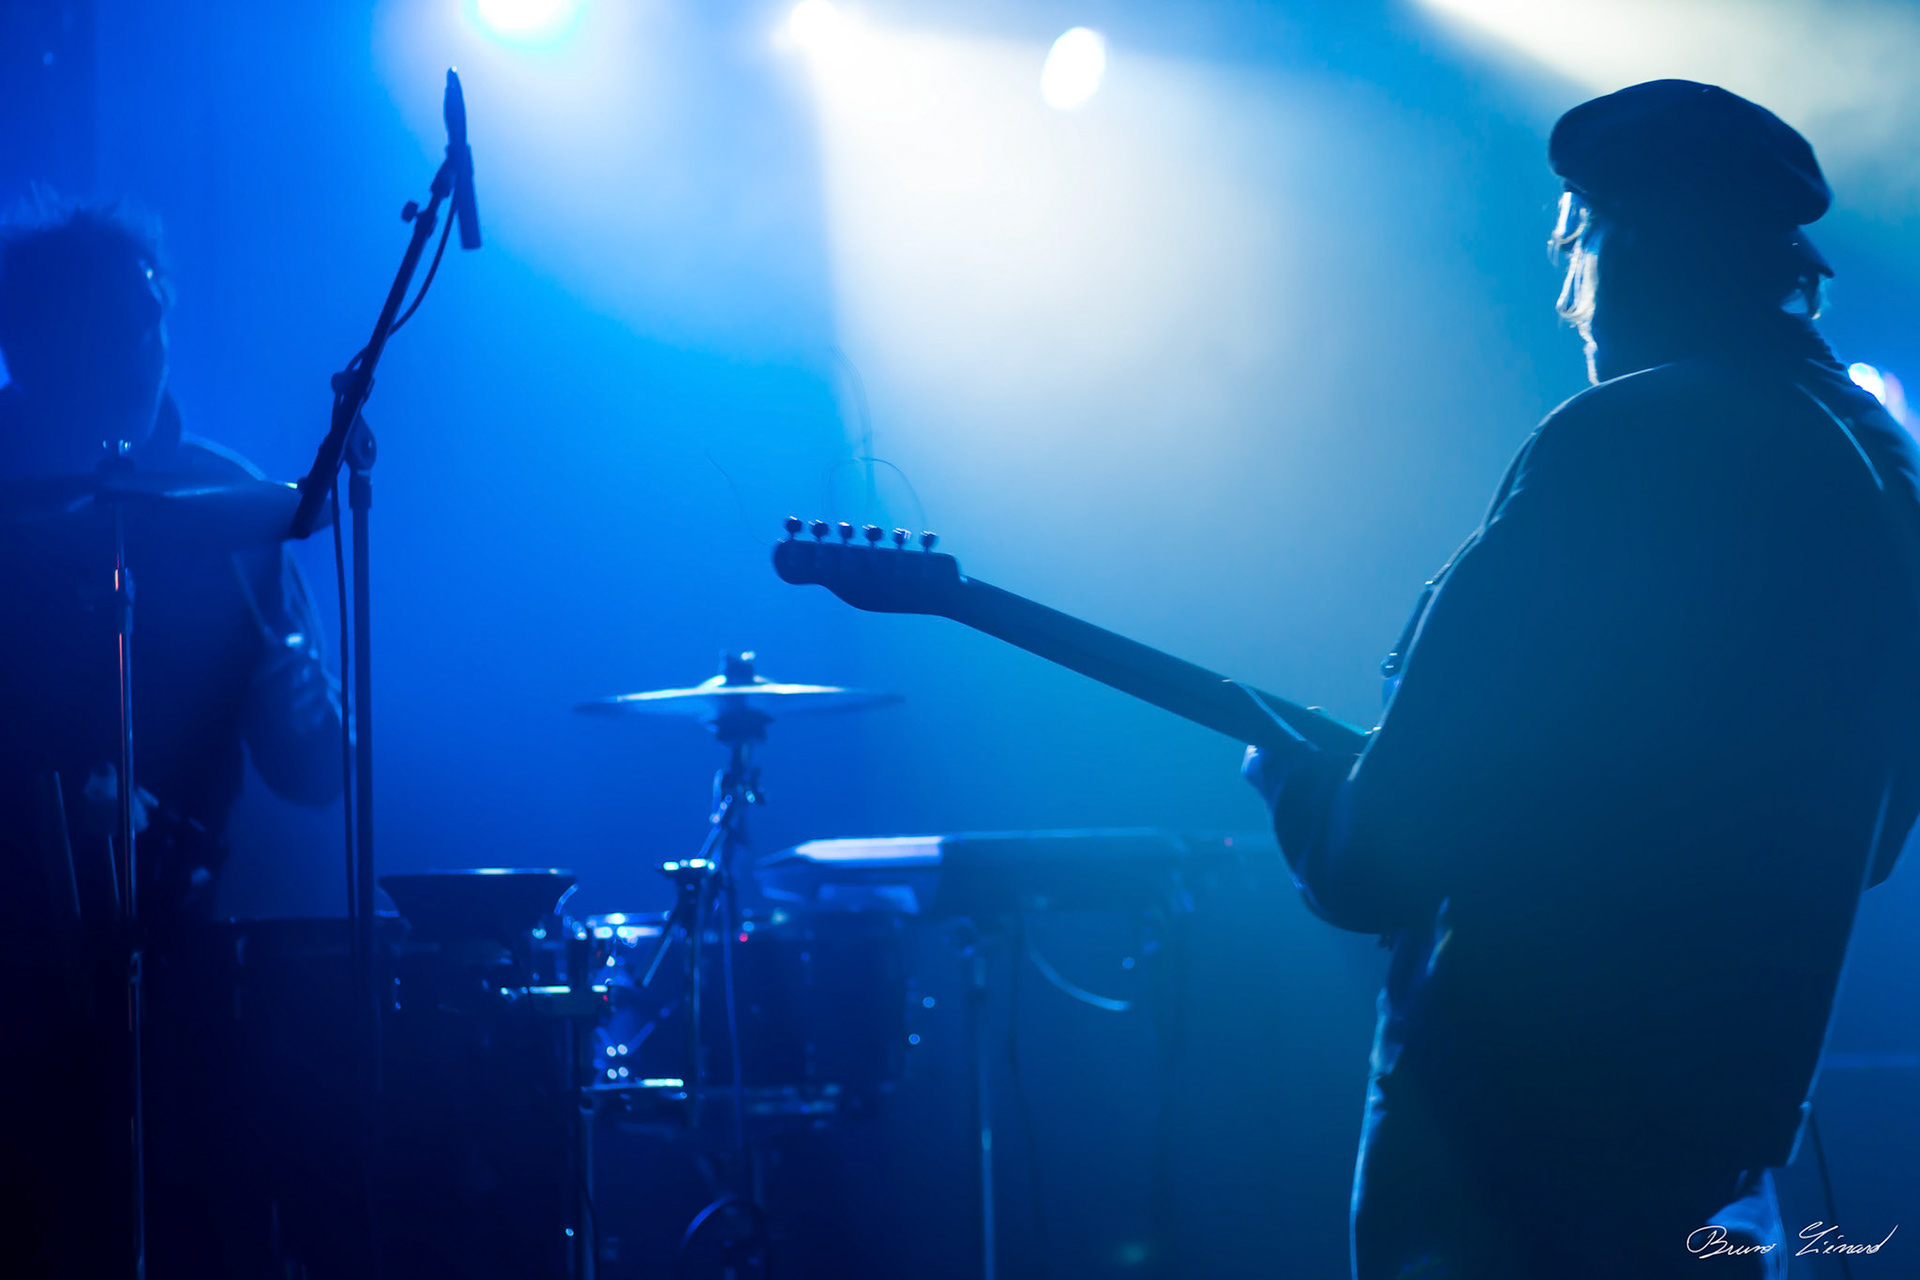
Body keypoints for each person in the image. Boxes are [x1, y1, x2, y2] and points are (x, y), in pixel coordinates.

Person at [1244, 81, 1920, 1280]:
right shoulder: (1883, 466)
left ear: (1643, 243)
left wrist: (1297, 786)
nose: (1565, 295)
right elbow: (1868, 834)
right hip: (1725, 1136)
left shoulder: (1621, 440)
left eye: (1577, 241)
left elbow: (1379, 861)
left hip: (1513, 1157)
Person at [0, 199, 343, 1276]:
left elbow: (310, 776)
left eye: (150, 322)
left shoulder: (227, 502)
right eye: (103, 328)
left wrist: (307, 714)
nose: (136, 351)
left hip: (175, 946)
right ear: (32, 346)